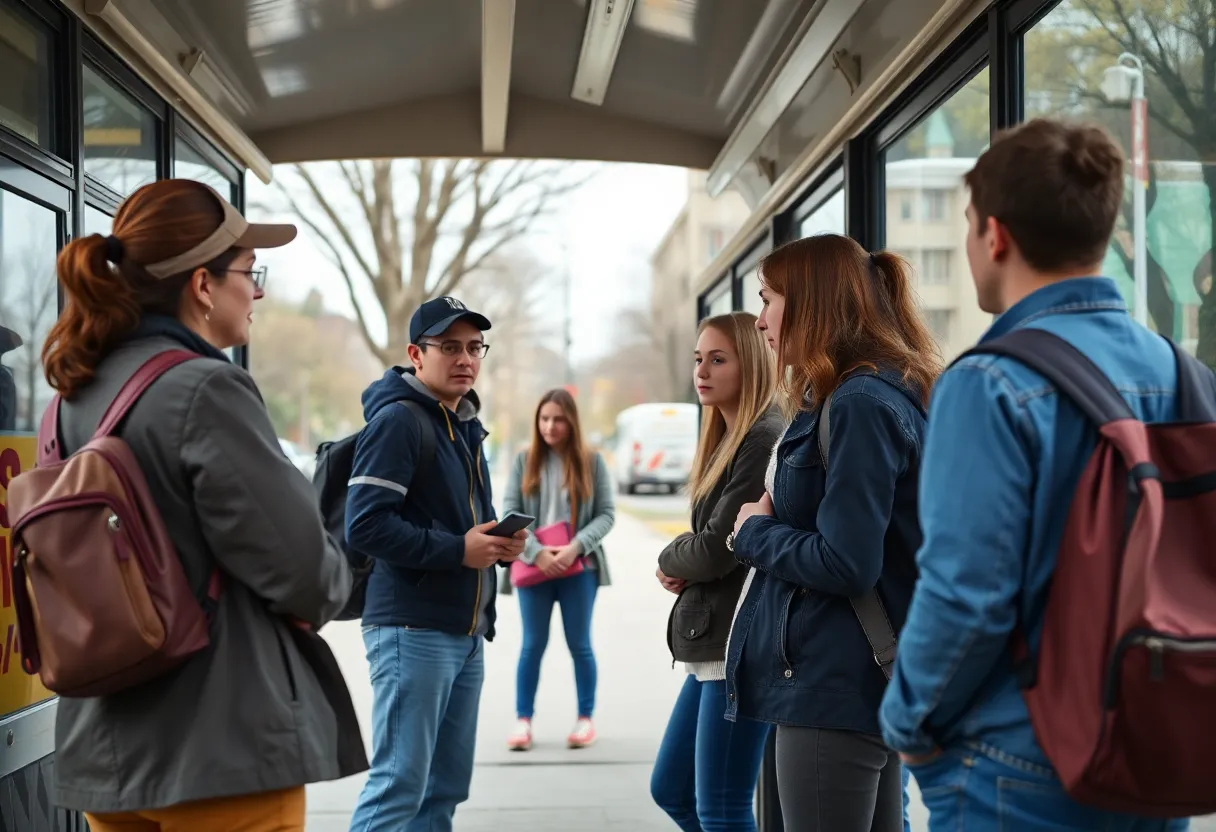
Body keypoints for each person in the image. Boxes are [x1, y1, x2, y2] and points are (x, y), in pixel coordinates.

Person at [879, 119, 1192, 831]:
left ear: (995, 235)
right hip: (1154, 751)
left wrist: (906, 724)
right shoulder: (1185, 377)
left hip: (1016, 765)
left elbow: (967, 594)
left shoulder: (989, 382)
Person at [39, 179, 360, 832]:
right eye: (249, 271)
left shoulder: (69, 400)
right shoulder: (206, 388)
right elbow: (306, 576)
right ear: (203, 285)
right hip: (223, 747)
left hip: (106, 750)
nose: (259, 290)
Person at [725, 233, 940, 831]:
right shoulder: (870, 392)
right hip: (852, 679)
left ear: (813, 305)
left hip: (835, 682)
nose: (761, 319)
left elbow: (848, 561)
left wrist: (754, 532)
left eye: (769, 299)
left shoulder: (859, 403)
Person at [346, 295, 527, 832]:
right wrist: (458, 551)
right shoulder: (399, 421)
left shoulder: (464, 424)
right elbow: (366, 525)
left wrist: (498, 542)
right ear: (415, 354)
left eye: (475, 347)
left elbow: (465, 521)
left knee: (442, 790)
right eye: (449, 347)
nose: (465, 358)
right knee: (399, 785)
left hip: (464, 629)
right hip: (411, 627)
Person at [649, 311, 782, 831]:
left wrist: (669, 557)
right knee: (672, 790)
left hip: (741, 648)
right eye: (699, 359)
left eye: (718, 359)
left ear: (749, 363)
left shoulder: (762, 437)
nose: (701, 371)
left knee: (722, 811)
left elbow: (715, 551)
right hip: (716, 648)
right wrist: (690, 555)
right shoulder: (731, 436)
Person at [501, 388, 616, 751]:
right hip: (534, 568)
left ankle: (585, 719)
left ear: (571, 422)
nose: (550, 426)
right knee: (531, 645)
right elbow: (508, 512)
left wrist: (575, 548)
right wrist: (536, 553)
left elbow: (606, 514)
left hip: (578, 568)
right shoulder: (523, 461)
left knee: (580, 644)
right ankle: (523, 721)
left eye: (558, 419)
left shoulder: (591, 462)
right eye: (544, 418)